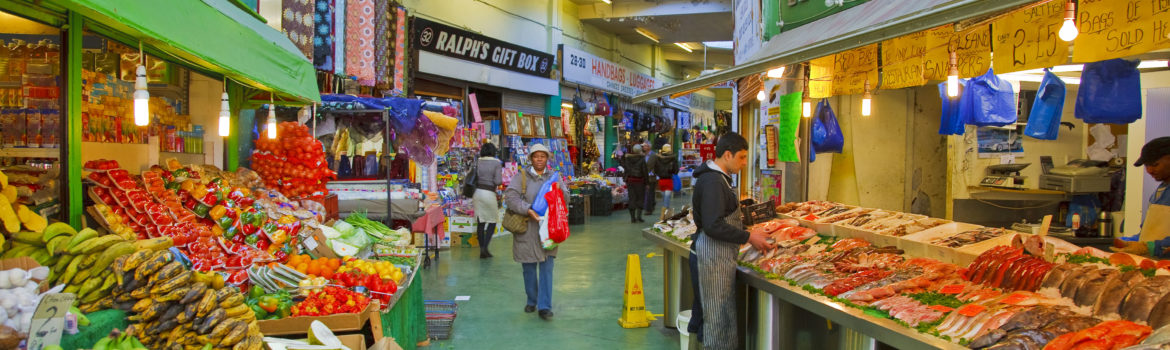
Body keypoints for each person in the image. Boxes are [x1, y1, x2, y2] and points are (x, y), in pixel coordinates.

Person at [687, 132, 775, 349]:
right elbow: (713, 224)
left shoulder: (720, 179)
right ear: (727, 155)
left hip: (717, 258)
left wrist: (746, 230)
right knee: (714, 318)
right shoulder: (713, 182)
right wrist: (748, 236)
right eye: (742, 157)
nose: (745, 163)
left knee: (710, 313)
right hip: (711, 258)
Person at [504, 143, 569, 320]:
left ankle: (544, 306)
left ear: (547, 159)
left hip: (549, 230)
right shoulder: (521, 177)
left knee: (547, 267)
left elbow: (566, 198)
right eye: (536, 156)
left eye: (543, 156)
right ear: (531, 158)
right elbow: (510, 197)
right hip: (527, 229)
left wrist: (559, 191)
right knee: (529, 267)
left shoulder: (555, 177)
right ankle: (532, 300)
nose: (539, 159)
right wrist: (527, 209)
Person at [1112, 137, 1170, 256]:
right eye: (1146, 166)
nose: (1149, 170)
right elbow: (1147, 234)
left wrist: (1150, 247)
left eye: (1155, 164)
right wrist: (1128, 242)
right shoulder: (1160, 192)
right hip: (1156, 266)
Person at [473, 142, 504, 259]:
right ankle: (485, 247)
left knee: (480, 221)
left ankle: (482, 248)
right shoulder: (496, 163)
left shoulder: (477, 161)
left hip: (477, 193)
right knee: (492, 220)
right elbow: (498, 181)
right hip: (489, 193)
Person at [622, 144, 650, 223]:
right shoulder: (642, 159)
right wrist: (647, 183)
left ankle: (632, 218)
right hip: (640, 181)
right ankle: (639, 217)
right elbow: (645, 171)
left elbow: (626, 169)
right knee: (640, 198)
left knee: (632, 198)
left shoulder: (628, 159)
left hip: (630, 181)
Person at [649, 143, 679, 215]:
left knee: (664, 197)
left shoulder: (658, 158)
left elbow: (655, 169)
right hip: (669, 180)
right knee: (667, 197)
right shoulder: (673, 159)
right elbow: (676, 171)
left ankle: (665, 210)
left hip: (661, 180)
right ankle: (665, 211)